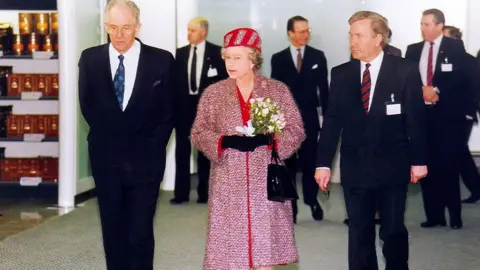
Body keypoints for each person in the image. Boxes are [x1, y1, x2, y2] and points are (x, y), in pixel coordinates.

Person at [315, 11, 427, 270]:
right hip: (355, 166)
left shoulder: (404, 70)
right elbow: (332, 122)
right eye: (350, 36)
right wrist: (323, 164)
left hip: (393, 165)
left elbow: (417, 120)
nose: (352, 42)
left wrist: (419, 161)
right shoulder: (341, 73)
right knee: (359, 231)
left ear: (378, 38)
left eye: (359, 35)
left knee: (392, 231)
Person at [191, 27, 305, 270]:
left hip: (265, 180)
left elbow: (296, 130)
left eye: (237, 57)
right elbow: (198, 132)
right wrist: (224, 141)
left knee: (265, 255)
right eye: (227, 57)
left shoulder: (276, 90)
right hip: (227, 183)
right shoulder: (214, 94)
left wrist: (271, 142)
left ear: (253, 58)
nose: (229, 63)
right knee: (230, 257)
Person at [78, 1, 174, 269]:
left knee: (139, 232)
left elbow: (168, 112)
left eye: (126, 27)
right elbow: (87, 106)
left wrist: (153, 147)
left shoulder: (161, 60)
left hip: (146, 161)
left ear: (138, 26)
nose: (119, 35)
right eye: (112, 27)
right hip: (106, 160)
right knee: (113, 231)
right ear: (105, 26)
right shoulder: (90, 59)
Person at [405, 9, 478, 229]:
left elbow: (460, 79)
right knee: (425, 167)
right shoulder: (413, 50)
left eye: (428, 24)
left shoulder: (454, 47)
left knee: (449, 167)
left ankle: (455, 216)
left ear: (439, 26)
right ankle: (434, 216)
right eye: (421, 24)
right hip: (422, 117)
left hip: (447, 118)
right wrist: (421, 90)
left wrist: (436, 89)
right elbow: (407, 80)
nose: (423, 28)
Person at [271, 15, 328, 223]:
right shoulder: (278, 58)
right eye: (301, 31)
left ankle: (312, 201)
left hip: (310, 119)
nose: (306, 34)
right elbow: (275, 92)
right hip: (285, 121)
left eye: (308, 30)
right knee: (288, 164)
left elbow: (324, 89)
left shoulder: (317, 56)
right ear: (290, 33)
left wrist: (328, 119)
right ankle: (291, 207)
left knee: (310, 161)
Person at [171, 17, 227, 205]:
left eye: (192, 30)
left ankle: (205, 194)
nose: (189, 34)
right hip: (183, 108)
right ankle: (181, 194)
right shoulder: (180, 54)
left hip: (206, 108)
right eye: (188, 30)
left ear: (203, 32)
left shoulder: (217, 53)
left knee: (204, 152)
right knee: (182, 151)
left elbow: (224, 83)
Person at [442, 25, 480, 204]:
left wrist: (469, 113)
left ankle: (475, 188)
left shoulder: (469, 61)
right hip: (448, 115)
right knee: (460, 153)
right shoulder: (445, 60)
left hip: (464, 116)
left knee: (459, 152)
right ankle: (475, 188)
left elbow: (475, 91)